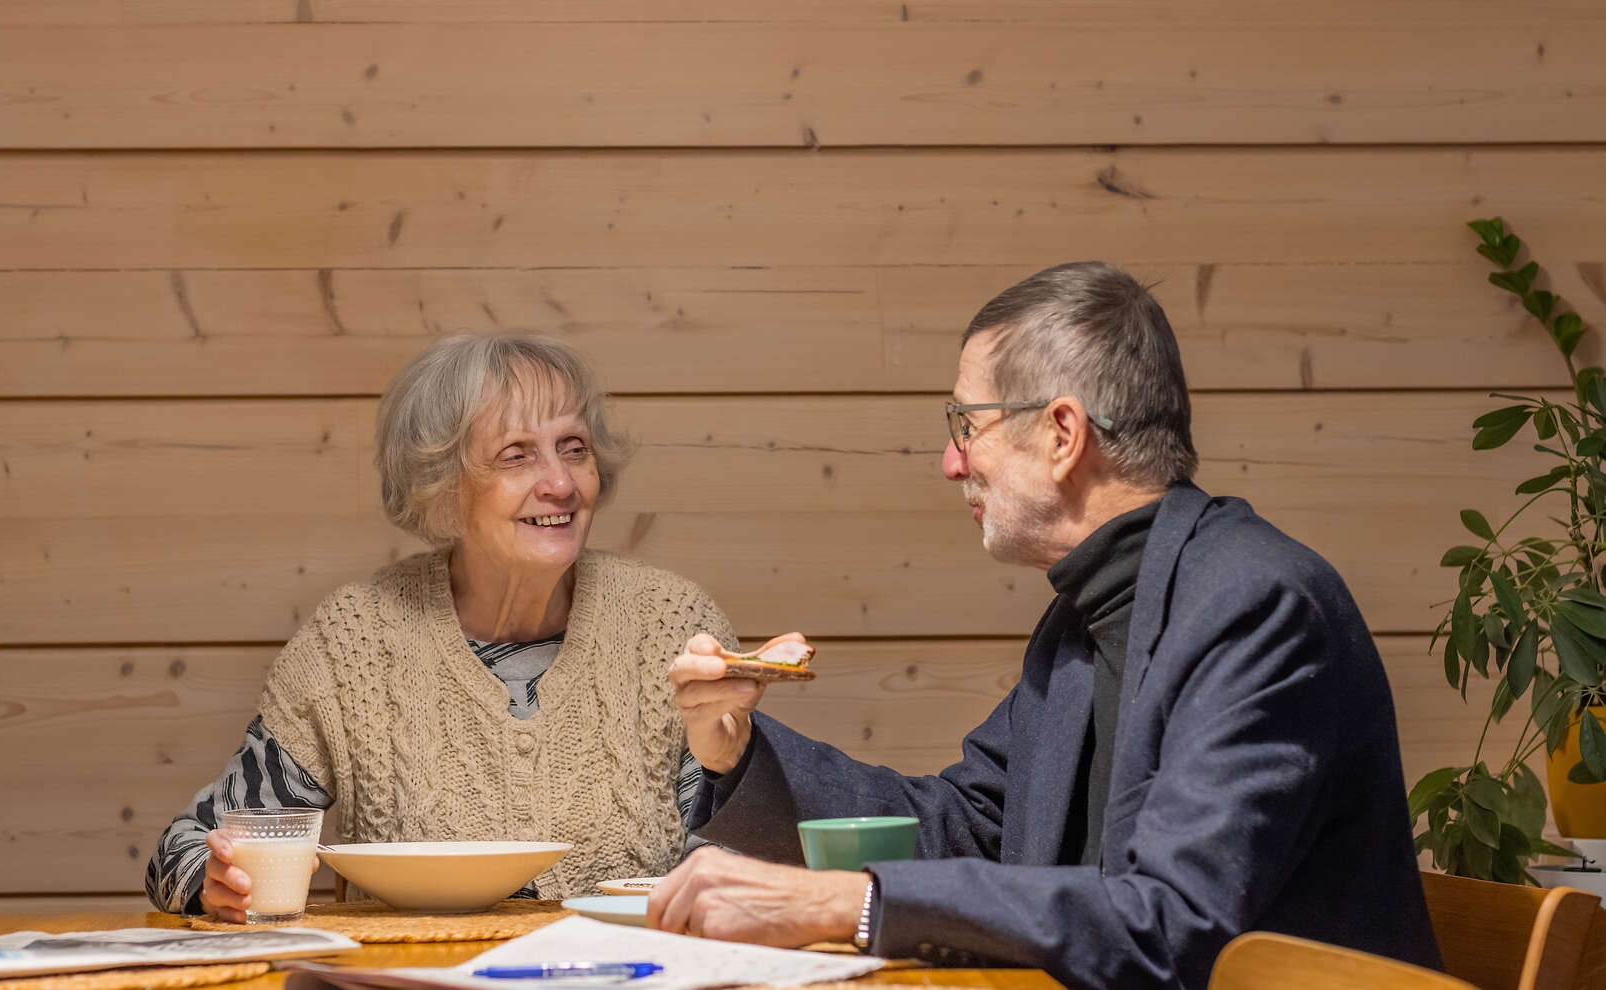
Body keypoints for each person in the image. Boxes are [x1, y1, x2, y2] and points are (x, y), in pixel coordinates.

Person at [649, 263, 1441, 990]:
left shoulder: (1256, 605)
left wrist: (841, 905)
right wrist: (741, 751)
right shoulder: (1085, 616)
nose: (951, 463)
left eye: (967, 424)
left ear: (1063, 435)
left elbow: (1175, 922)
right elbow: (965, 828)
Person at [145, 334, 737, 920]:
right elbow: (183, 850)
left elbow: (741, 850)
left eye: (574, 448)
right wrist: (219, 879)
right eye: (518, 454)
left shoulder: (672, 626)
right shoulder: (353, 644)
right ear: (445, 486)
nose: (561, 483)